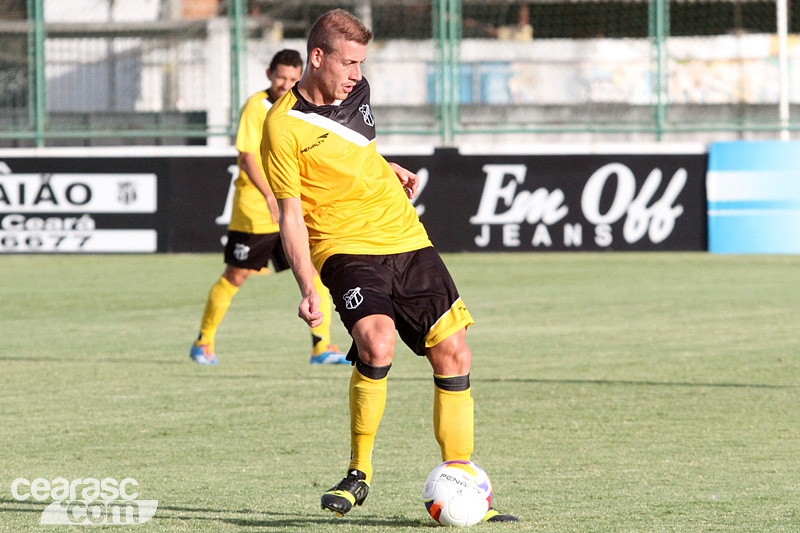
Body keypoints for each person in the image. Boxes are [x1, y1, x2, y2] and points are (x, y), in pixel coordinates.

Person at [262, 10, 518, 522]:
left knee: (455, 353)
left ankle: (462, 481)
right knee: (376, 341)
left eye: (361, 62)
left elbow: (358, 148)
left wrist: (385, 164)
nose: (357, 73)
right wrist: (307, 285)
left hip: (405, 236)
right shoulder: (281, 127)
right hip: (344, 245)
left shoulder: (357, 92)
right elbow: (290, 215)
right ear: (318, 57)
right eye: (348, 62)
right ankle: (359, 473)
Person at [190, 49, 348, 366]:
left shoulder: (298, 108)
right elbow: (248, 157)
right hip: (257, 209)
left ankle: (322, 346)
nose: (285, 83)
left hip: (293, 206)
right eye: (281, 77)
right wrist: (270, 195)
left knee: (314, 269)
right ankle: (203, 342)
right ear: (269, 75)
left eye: (292, 78)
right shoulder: (256, 106)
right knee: (236, 275)